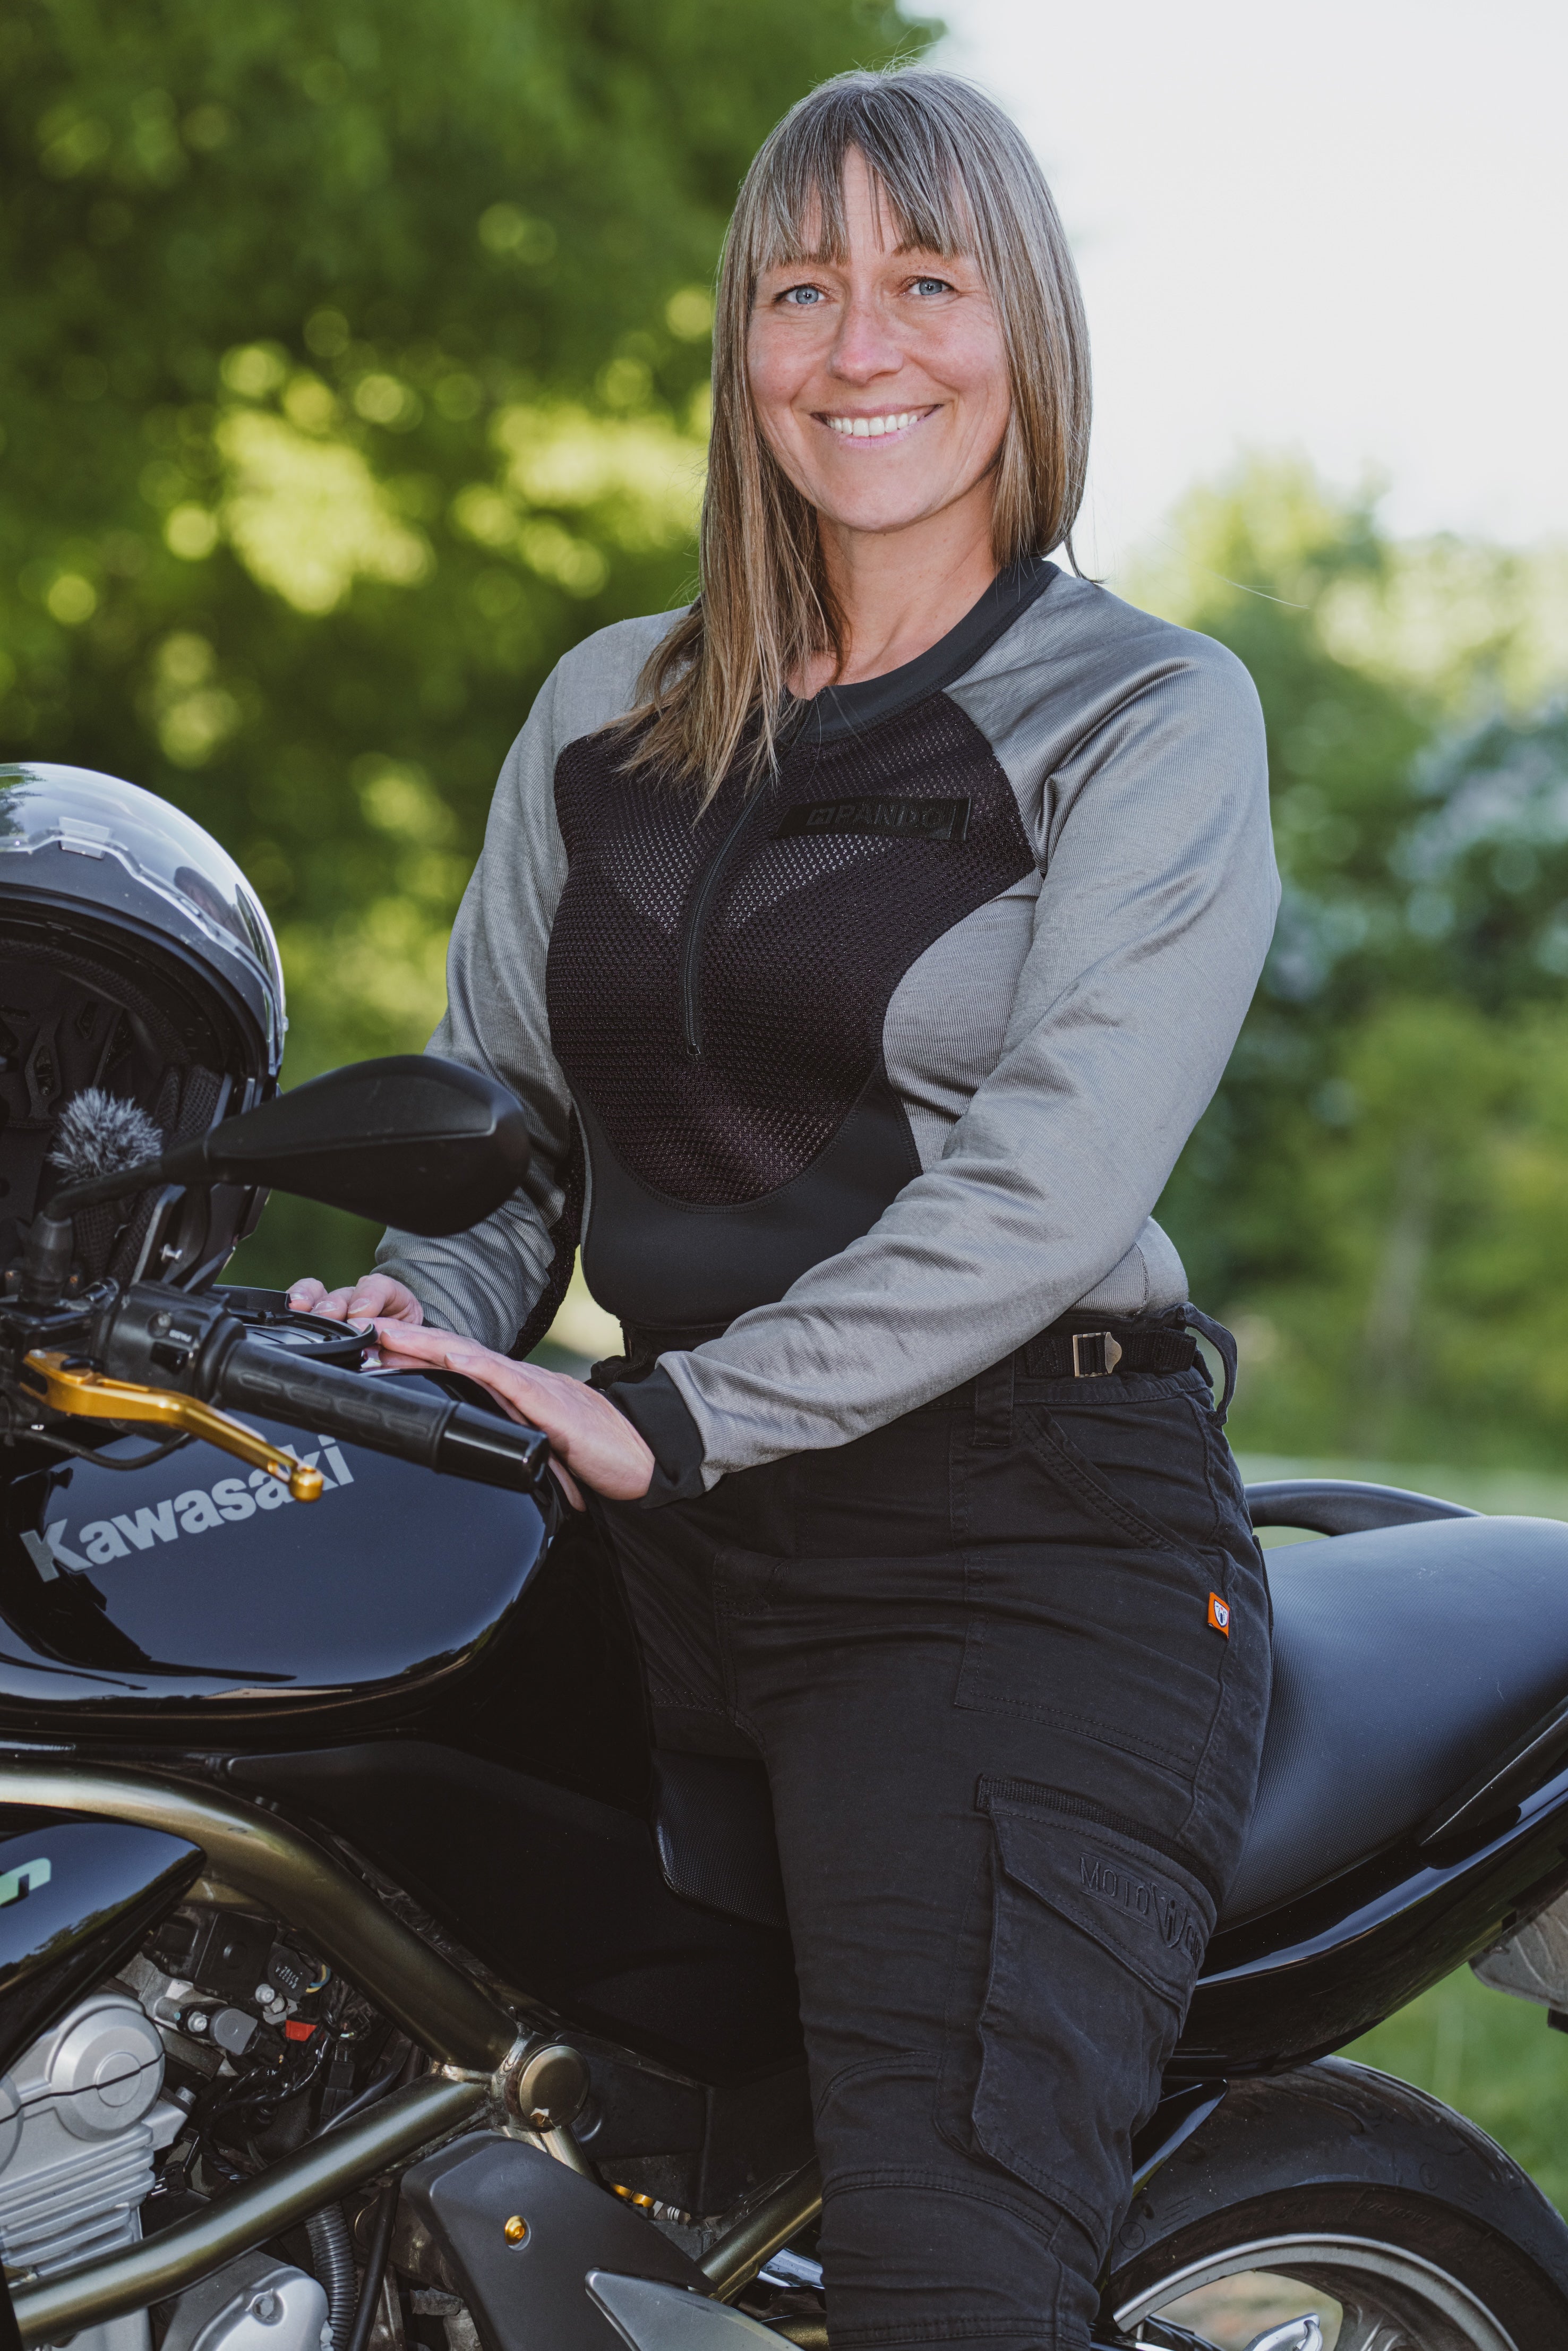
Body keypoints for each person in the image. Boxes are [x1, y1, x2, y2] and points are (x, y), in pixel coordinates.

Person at [288, 66, 1278, 2351]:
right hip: (662, 1519)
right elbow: (509, 1137)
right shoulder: (605, 711)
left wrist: (678, 1415)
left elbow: (1047, 1184)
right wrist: (410, 1329)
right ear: (743, 343)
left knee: (941, 2295)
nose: (861, 347)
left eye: (926, 283)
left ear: (1024, 334)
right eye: (802, 291)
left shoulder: (1144, 713)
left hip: (1013, 1539)